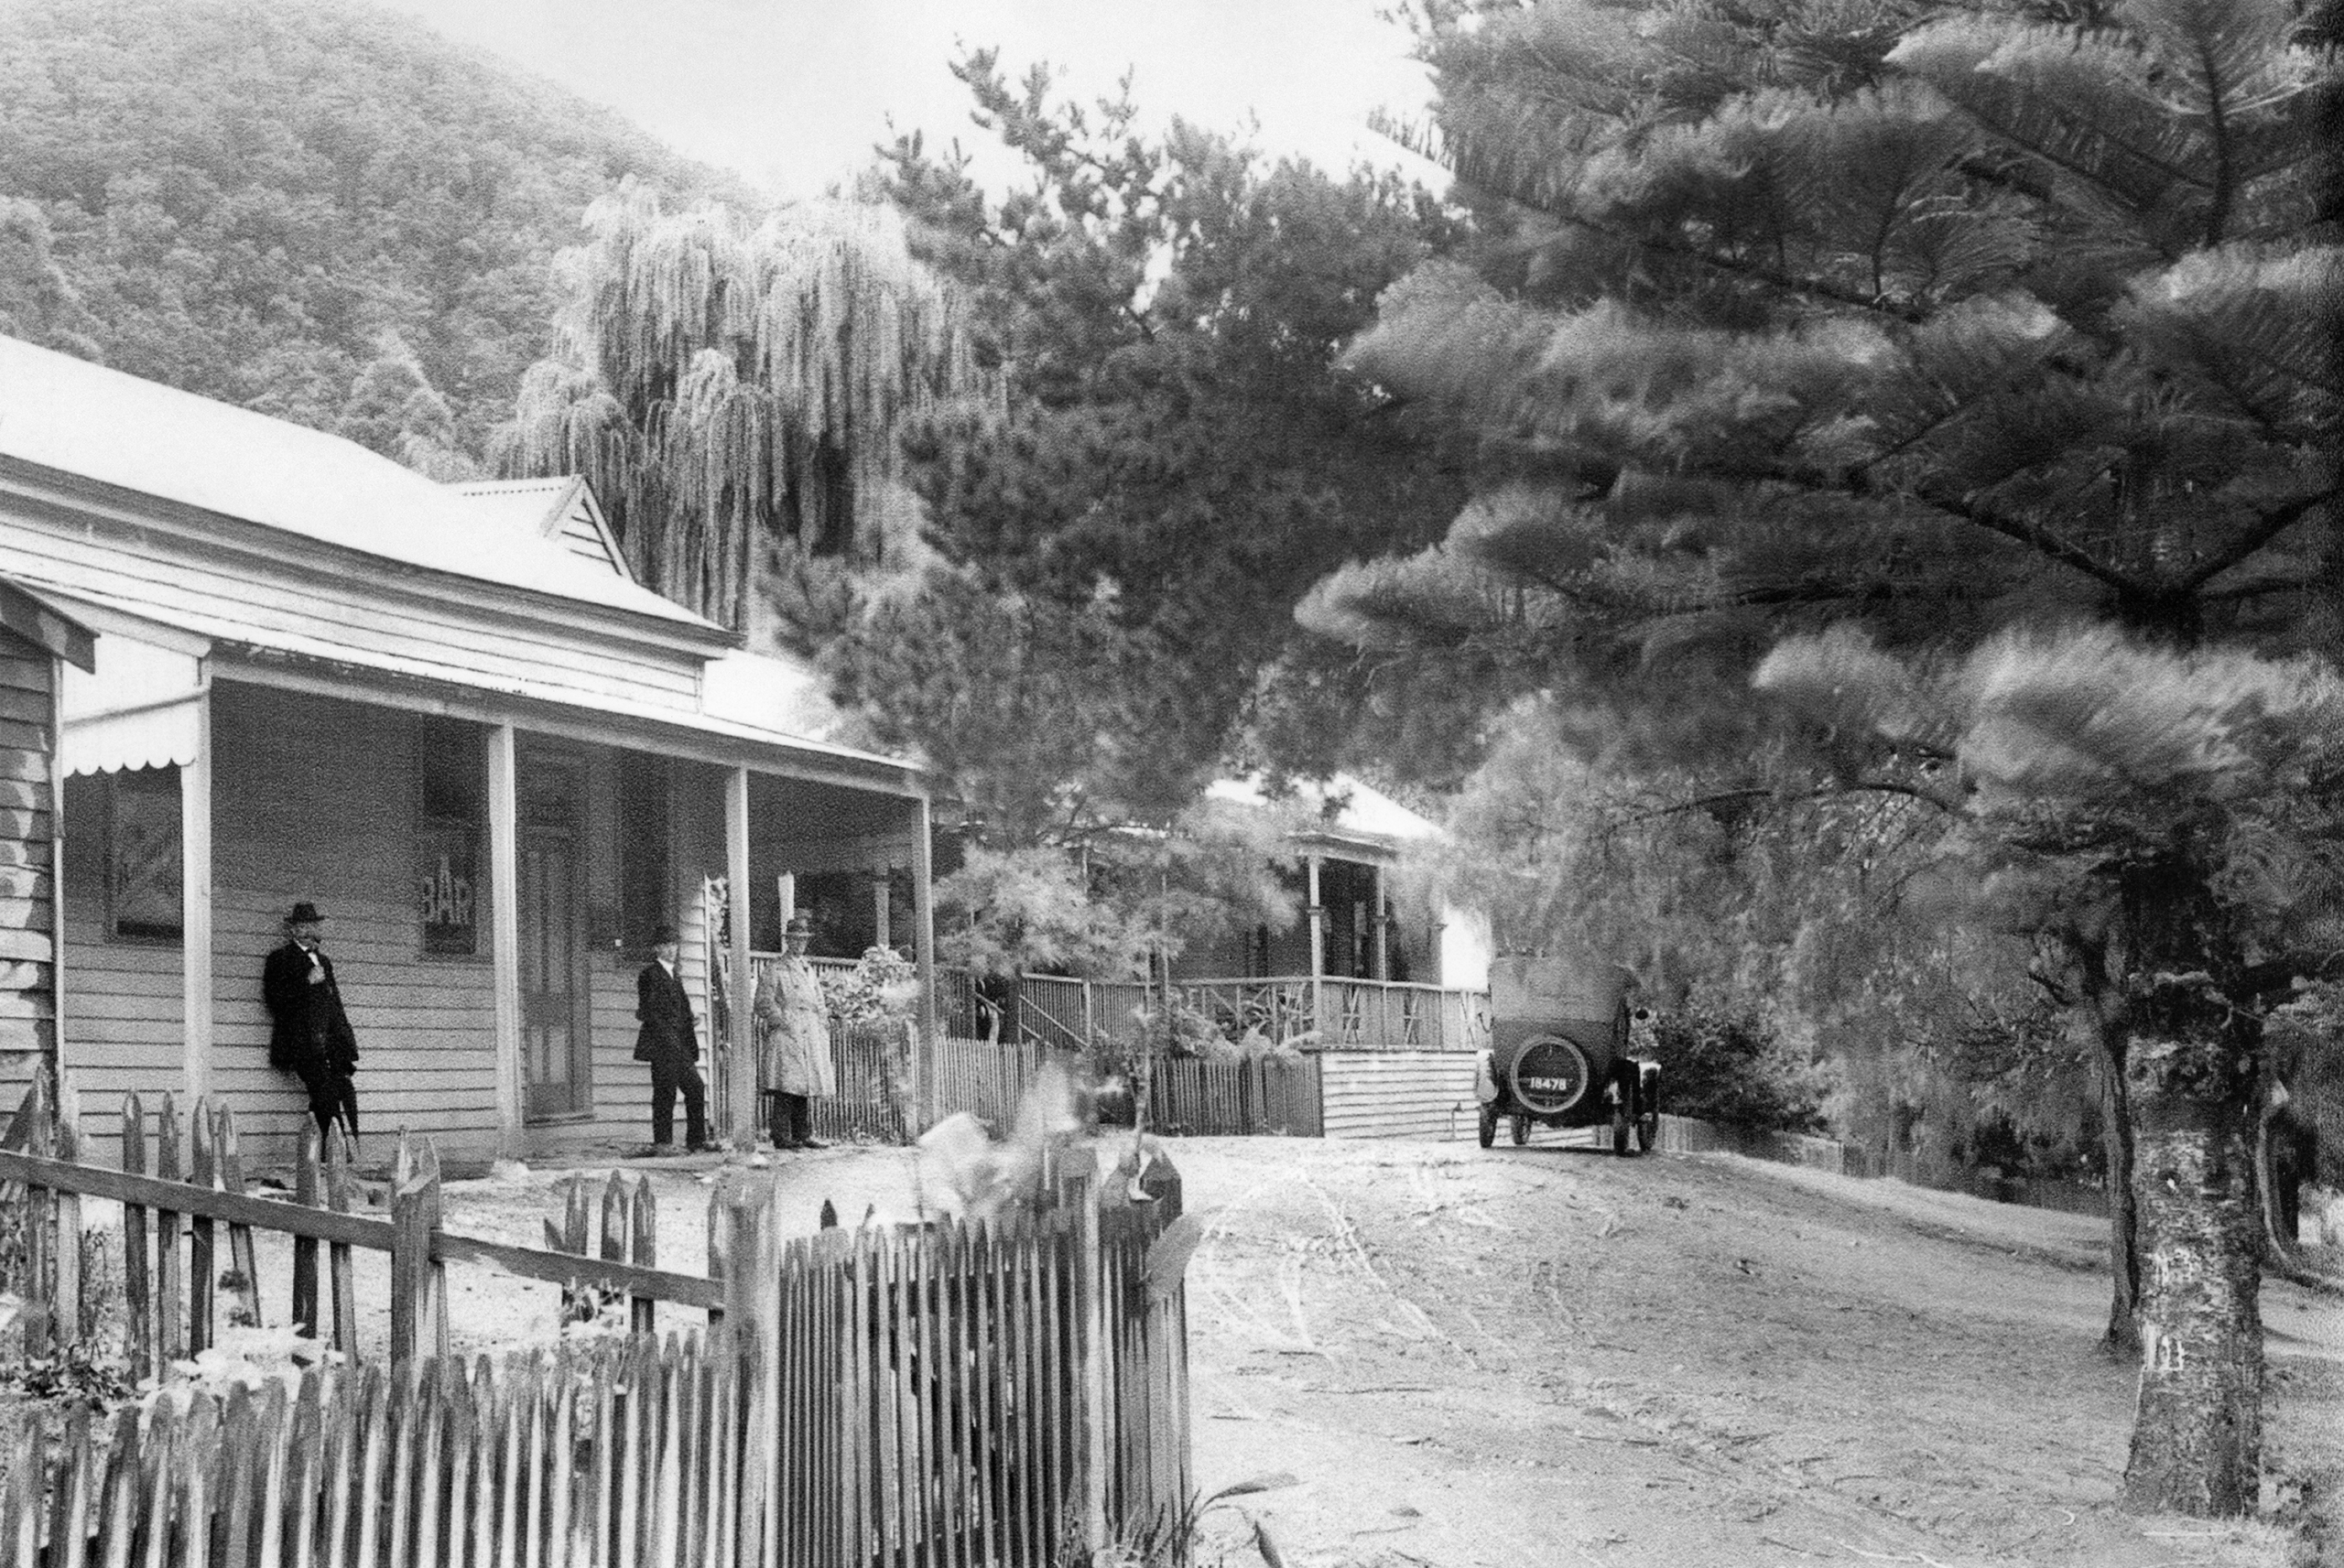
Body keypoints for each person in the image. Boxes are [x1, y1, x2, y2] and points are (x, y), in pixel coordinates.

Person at [264, 901, 360, 1152]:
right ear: (292, 930)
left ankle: (315, 1154)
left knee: (328, 1095)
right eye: (301, 925)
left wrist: (345, 1042)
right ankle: (337, 1152)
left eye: (311, 924)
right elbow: (275, 1000)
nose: (307, 930)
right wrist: (306, 982)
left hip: (327, 1044)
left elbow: (334, 1005)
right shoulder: (280, 959)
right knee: (326, 1094)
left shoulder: (324, 962)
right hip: (300, 1043)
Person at [754, 913, 836, 1150]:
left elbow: (818, 1000)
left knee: (804, 1083)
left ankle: (803, 1134)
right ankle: (780, 1136)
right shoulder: (776, 968)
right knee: (785, 1084)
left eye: (803, 939)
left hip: (809, 1030)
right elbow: (762, 1001)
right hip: (787, 1031)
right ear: (787, 941)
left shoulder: (809, 969)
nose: (800, 943)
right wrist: (782, 1020)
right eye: (795, 939)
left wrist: (822, 1022)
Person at [634, 923, 710, 1153]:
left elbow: (677, 1009)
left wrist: (690, 1018)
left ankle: (696, 1141)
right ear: (656, 948)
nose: (671, 949)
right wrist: (668, 1037)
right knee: (664, 1092)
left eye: (674, 944)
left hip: (680, 1043)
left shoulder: (674, 974)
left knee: (695, 1087)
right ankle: (663, 1143)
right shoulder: (650, 975)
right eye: (665, 945)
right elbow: (650, 1011)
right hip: (662, 1044)